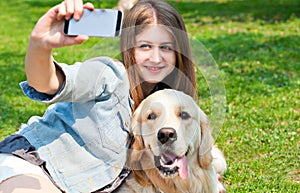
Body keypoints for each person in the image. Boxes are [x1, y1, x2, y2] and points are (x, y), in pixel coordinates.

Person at [0, 0, 225, 192]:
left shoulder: (167, 101)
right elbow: (47, 83)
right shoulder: (108, 75)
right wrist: (40, 44)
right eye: (145, 46)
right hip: (34, 164)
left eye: (166, 48)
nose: (155, 58)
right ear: (130, 47)